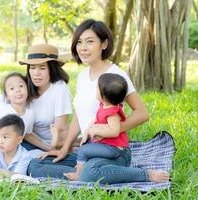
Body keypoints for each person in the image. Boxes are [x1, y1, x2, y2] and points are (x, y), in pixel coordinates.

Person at [33, 19, 170, 183]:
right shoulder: (83, 76)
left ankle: (144, 175)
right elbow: (79, 115)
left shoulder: (115, 75)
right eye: (79, 42)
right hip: (90, 149)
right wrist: (64, 149)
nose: (83, 48)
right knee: (36, 165)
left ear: (104, 44)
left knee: (91, 173)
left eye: (90, 42)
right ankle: (89, 173)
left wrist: (111, 129)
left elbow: (142, 113)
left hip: (112, 151)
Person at [64, 73, 129, 180]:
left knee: (83, 151)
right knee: (86, 144)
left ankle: (79, 175)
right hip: (106, 144)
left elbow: (115, 131)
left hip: (114, 148)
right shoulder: (104, 105)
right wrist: (87, 130)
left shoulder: (112, 113)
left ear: (103, 95)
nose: (95, 90)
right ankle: (82, 164)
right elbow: (96, 119)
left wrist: (97, 132)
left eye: (97, 88)